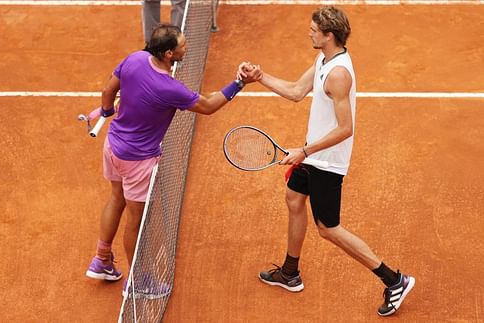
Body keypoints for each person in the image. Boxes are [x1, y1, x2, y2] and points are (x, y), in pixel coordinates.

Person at [238, 6, 415, 317]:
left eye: (313, 29)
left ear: (329, 35)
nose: (309, 32)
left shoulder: (338, 74)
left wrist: (305, 153)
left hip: (326, 162)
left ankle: (395, 280)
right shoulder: (324, 59)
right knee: (293, 198)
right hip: (312, 154)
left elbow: (346, 129)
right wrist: (260, 77)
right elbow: (295, 91)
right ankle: (290, 273)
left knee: (328, 228)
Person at [85, 23, 257, 296]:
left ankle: (101, 259)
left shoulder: (135, 58)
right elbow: (209, 106)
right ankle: (139, 282)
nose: (187, 47)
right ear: (168, 54)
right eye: (182, 45)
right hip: (138, 161)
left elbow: (108, 92)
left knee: (115, 198)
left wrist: (107, 111)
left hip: (113, 146)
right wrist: (239, 83)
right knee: (136, 221)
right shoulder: (169, 88)